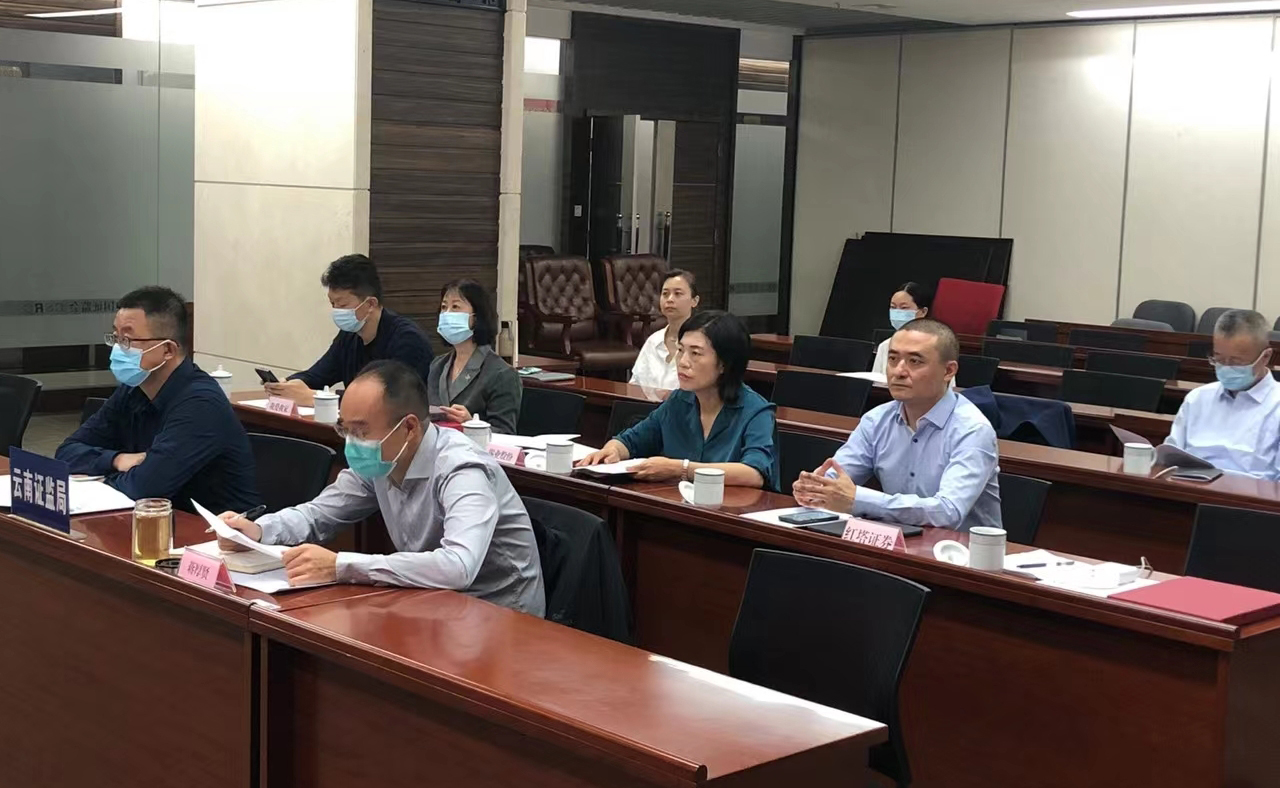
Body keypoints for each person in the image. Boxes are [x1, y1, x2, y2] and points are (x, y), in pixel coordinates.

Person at [217, 360, 545, 615]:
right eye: (345, 430)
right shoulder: (381, 459)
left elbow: (458, 566)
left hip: (501, 614)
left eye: (361, 431)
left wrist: (341, 566)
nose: (352, 443)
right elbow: (319, 514)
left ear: (409, 428)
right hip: (432, 601)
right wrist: (259, 530)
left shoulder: (462, 469)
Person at [56, 286, 260, 513]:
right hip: (150, 518)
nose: (118, 348)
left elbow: (143, 488)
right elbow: (66, 453)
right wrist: (117, 459)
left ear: (168, 350)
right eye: (116, 337)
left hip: (212, 528)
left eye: (128, 339)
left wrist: (102, 478)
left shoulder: (201, 404)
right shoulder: (132, 389)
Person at [794, 318, 1001, 531]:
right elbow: (837, 477)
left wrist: (858, 499)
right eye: (893, 359)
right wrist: (816, 489)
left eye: (915, 361)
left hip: (959, 548)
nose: (898, 371)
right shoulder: (876, 420)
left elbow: (948, 511)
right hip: (899, 540)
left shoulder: (973, 430)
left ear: (948, 371)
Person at [578, 310, 779, 490]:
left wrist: (681, 469)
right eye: (681, 350)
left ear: (724, 364)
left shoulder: (756, 411)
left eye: (695, 353)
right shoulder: (679, 401)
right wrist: (613, 450)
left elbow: (754, 473)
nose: (682, 362)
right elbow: (632, 440)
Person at [266, 254, 433, 406]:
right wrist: (287, 385)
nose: (336, 310)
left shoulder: (408, 340)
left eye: (342, 304)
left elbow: (388, 401)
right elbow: (318, 375)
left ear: (370, 304)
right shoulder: (349, 335)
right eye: (333, 304)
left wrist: (316, 398)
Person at [1165, 309, 1280, 478]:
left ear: (1265, 357)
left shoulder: (1276, 406)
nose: (1226, 367)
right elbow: (1171, 459)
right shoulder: (1197, 399)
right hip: (1191, 487)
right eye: (1219, 359)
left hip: (1250, 493)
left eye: (1236, 362)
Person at [427, 279, 522, 434]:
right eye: (444, 307)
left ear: (476, 317)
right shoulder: (437, 366)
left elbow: (506, 433)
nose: (447, 314)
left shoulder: (502, 374)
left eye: (455, 307)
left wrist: (471, 424)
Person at [629, 269, 701, 390]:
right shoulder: (653, 341)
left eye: (678, 294)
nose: (670, 299)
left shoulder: (701, 343)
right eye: (665, 294)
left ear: (695, 301)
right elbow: (635, 384)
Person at [872, 282, 934, 378]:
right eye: (893, 307)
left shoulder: (936, 347)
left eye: (904, 308)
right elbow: (875, 382)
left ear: (923, 312)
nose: (897, 312)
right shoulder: (885, 346)